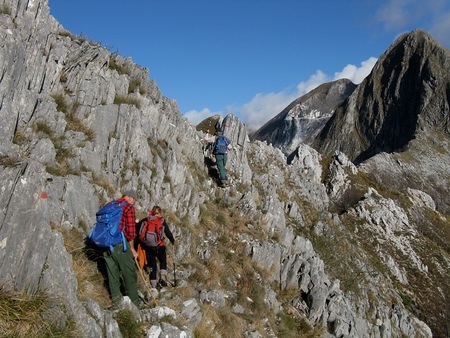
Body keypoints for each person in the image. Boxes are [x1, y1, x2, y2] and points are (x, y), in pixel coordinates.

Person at [103, 190, 140, 308]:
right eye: (134, 200)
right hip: (120, 245)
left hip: (106, 244)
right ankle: (135, 307)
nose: (133, 203)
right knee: (129, 274)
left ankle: (117, 304)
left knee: (112, 275)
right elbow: (130, 232)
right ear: (130, 198)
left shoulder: (110, 204)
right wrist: (133, 249)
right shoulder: (128, 208)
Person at [136, 206, 175, 289]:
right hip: (159, 246)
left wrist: (136, 222)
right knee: (162, 260)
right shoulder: (161, 221)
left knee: (152, 264)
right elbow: (167, 232)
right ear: (160, 213)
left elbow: (137, 228)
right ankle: (163, 277)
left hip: (147, 246)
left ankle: (153, 284)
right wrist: (172, 240)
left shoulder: (146, 219)